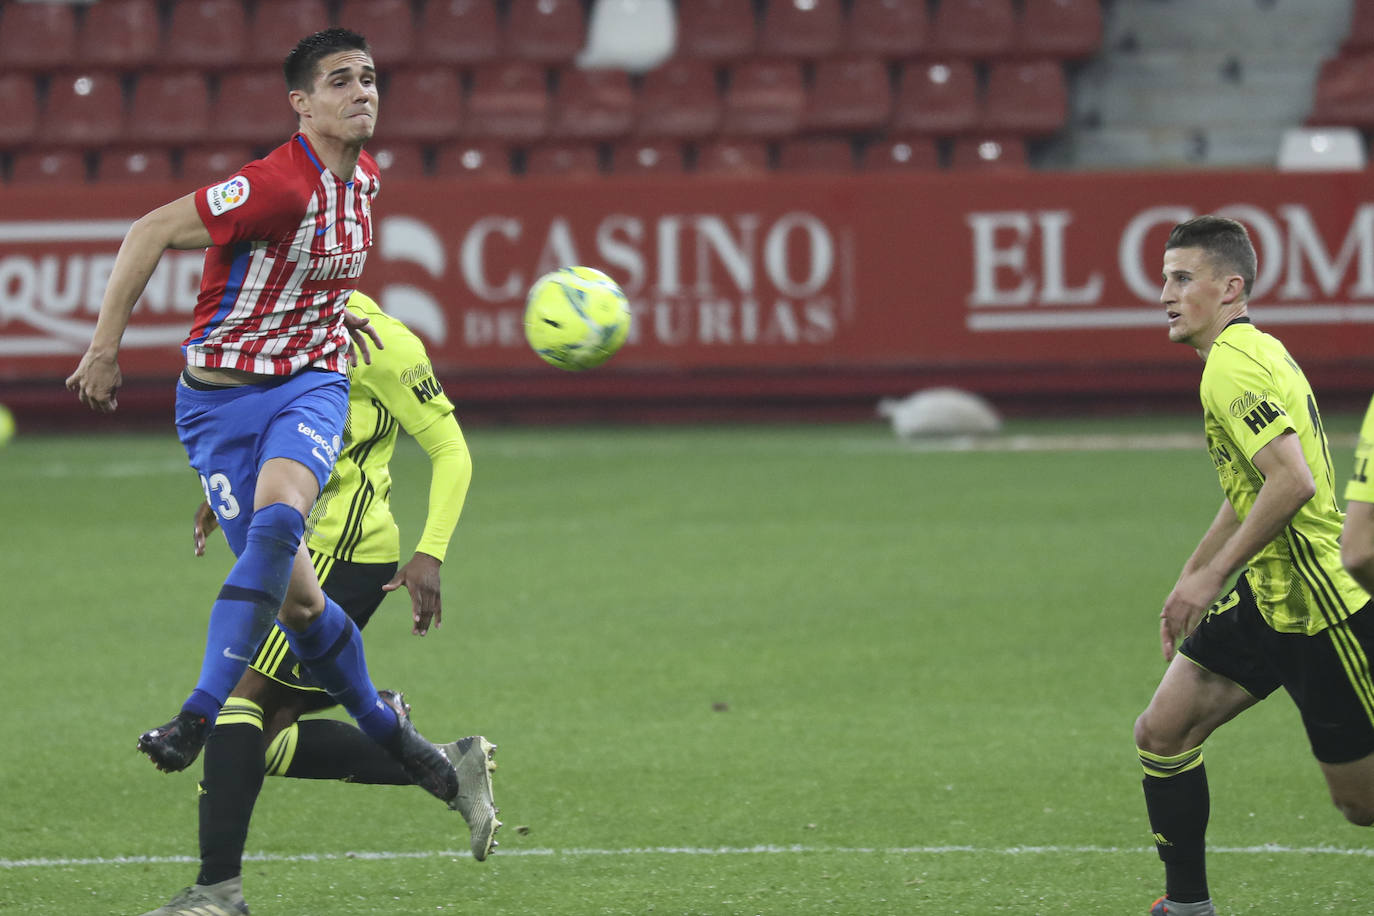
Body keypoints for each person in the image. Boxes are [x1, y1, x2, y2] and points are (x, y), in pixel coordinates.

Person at [65, 28, 461, 828]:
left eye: (370, 78)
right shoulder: (277, 185)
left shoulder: (366, 181)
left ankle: (197, 713)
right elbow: (148, 230)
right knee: (304, 610)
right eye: (340, 81)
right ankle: (390, 731)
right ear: (302, 104)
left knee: (282, 523)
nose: (361, 92)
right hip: (218, 407)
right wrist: (104, 348)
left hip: (311, 387)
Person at [140, 292, 499, 916]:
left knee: (235, 704)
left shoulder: (385, 343)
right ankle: (441, 763)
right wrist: (231, 495)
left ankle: (216, 894)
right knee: (261, 736)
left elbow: (452, 450)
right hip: (288, 537)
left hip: (344, 550)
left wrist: (430, 553)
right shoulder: (281, 325)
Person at [1133, 215, 1374, 916]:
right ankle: (1187, 908)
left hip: (1322, 610)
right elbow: (1253, 487)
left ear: (1230, 286)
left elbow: (1292, 482)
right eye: (1165, 278)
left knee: (1361, 808)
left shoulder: (1232, 368)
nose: (1165, 294)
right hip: (1271, 603)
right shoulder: (1257, 351)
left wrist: (1213, 578)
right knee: (1163, 731)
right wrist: (1194, 570)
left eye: (1183, 278)